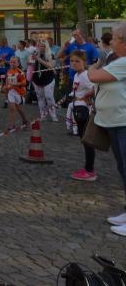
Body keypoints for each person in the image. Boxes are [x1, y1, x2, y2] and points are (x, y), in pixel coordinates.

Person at [87, 23, 126, 236]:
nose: (111, 43)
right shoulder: (118, 61)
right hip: (116, 122)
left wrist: (93, 67)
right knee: (122, 168)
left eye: (115, 39)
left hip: (123, 122)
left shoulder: (123, 62)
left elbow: (93, 76)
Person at [68, 50, 97, 181]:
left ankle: (90, 170)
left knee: (86, 140)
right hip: (77, 107)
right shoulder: (77, 75)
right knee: (83, 138)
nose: (74, 63)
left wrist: (87, 97)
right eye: (72, 61)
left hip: (84, 109)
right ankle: (88, 168)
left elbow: (94, 87)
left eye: (77, 61)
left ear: (84, 62)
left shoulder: (85, 75)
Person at [32, 40, 58, 122]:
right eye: (40, 46)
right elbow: (31, 64)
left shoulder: (51, 54)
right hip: (37, 78)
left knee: (49, 96)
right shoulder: (35, 54)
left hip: (48, 78)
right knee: (40, 98)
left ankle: (53, 114)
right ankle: (43, 114)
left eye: (43, 46)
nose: (42, 47)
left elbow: (50, 66)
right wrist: (32, 59)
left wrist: (39, 59)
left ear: (46, 46)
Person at [4, 56, 28, 130]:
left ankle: (25, 120)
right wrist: (6, 88)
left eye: (14, 62)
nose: (12, 63)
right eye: (11, 62)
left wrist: (15, 84)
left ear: (18, 63)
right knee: (12, 108)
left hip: (19, 93)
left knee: (20, 110)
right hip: (11, 92)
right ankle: (12, 125)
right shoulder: (8, 71)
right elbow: (7, 82)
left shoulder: (20, 72)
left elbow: (24, 83)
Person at [0, 38, 15, 108]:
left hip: (6, 70)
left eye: (4, 42)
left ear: (6, 42)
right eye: (1, 42)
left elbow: (13, 61)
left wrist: (5, 62)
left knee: (6, 86)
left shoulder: (10, 50)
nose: (2, 43)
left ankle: (6, 101)